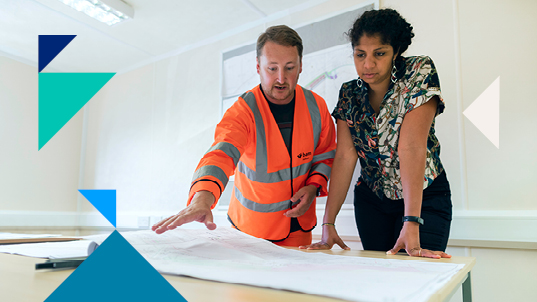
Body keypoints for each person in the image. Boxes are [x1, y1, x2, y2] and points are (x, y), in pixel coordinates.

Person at [152, 25, 336, 247]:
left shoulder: (317, 106)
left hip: (299, 227)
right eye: (272, 68)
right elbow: (221, 154)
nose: (281, 78)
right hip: (251, 232)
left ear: (301, 67)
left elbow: (324, 156)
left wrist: (313, 186)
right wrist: (202, 198)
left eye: (289, 68)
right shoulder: (242, 111)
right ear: (258, 67)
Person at [302, 9, 452, 259]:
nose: (368, 64)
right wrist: (328, 224)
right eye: (360, 55)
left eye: (379, 54)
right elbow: (345, 157)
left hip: (424, 198)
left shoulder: (418, 72)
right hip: (372, 202)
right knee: (380, 283)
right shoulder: (349, 93)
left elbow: (411, 148)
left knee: (416, 279)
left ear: (396, 52)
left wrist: (411, 221)